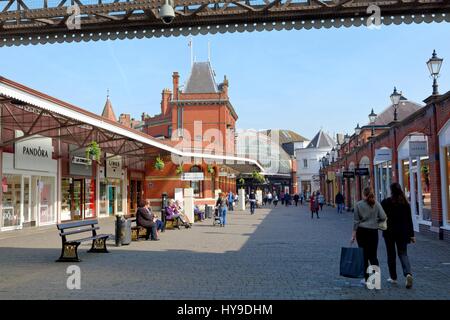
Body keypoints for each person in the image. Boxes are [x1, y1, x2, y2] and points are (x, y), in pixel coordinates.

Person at [381, 183, 415, 289]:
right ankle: (408, 273)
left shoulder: (386, 202)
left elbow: (381, 216)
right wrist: (412, 235)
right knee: (403, 254)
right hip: (402, 233)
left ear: (391, 191)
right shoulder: (405, 203)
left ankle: (393, 277)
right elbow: (409, 220)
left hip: (389, 232)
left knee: (391, 255)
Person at [351, 187, 387, 286]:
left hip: (362, 232)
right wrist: (376, 222)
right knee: (373, 256)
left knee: (364, 256)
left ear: (363, 194)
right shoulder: (377, 204)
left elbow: (356, 221)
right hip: (373, 232)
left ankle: (366, 279)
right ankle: (376, 280)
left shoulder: (358, 205)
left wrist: (353, 235)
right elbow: (384, 217)